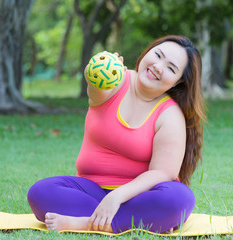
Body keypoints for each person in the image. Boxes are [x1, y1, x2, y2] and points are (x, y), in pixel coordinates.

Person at [27, 35, 206, 234]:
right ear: (147, 52)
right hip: (91, 191)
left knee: (179, 199)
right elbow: (96, 89)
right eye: (157, 55)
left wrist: (116, 197)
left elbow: (163, 173)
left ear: (177, 81)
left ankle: (85, 223)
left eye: (171, 68)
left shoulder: (170, 114)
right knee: (40, 192)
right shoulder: (115, 79)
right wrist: (95, 70)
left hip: (139, 195)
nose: (158, 66)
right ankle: (142, 220)